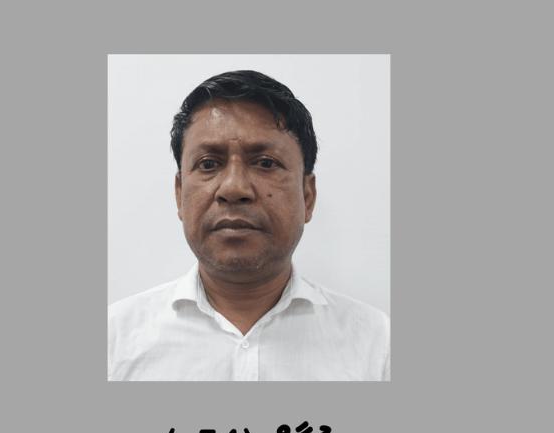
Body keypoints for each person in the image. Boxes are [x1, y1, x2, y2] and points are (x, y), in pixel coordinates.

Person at [108, 70, 389, 381]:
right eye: (209, 164)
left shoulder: (377, 346)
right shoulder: (114, 341)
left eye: (266, 163)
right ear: (179, 194)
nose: (234, 188)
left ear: (307, 196)